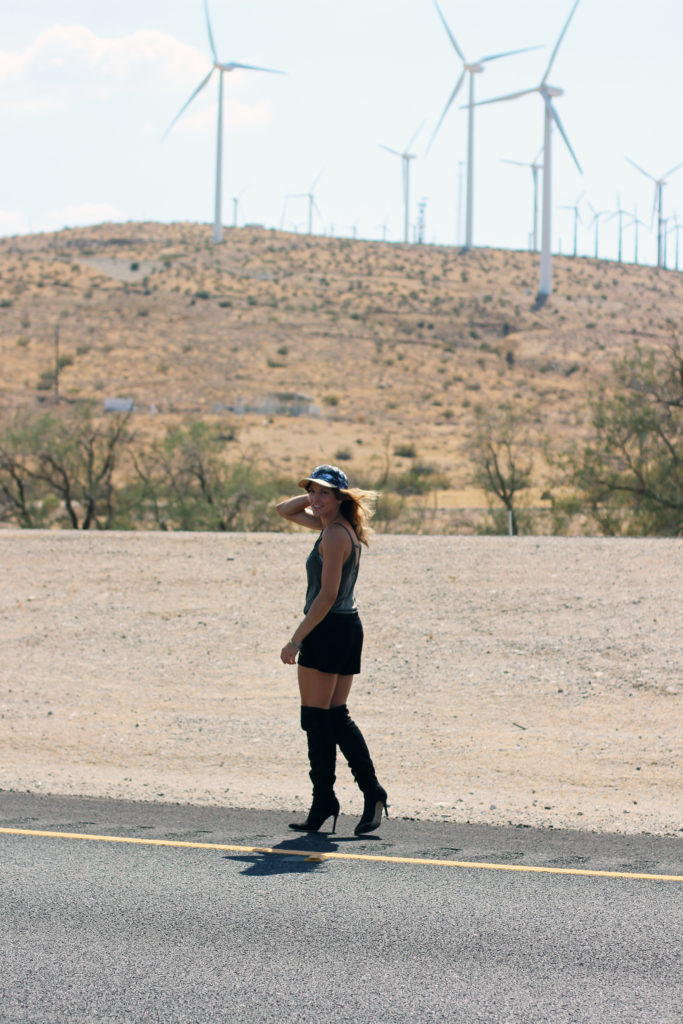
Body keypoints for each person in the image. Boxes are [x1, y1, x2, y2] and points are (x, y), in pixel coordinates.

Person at [276, 464, 388, 836]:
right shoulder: (337, 527)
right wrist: (315, 496)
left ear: (341, 497)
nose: (314, 499)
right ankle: (369, 792)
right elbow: (283, 510)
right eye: (312, 492)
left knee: (316, 719)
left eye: (324, 493)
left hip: (327, 628)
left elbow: (325, 596)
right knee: (335, 717)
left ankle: (325, 800)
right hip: (347, 627)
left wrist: (296, 639)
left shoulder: (335, 535)